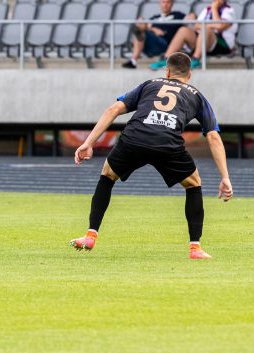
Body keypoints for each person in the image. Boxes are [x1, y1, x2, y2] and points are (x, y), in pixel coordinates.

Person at [70, 52, 233, 259]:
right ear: (189, 75)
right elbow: (213, 137)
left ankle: (90, 235)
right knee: (193, 185)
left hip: (135, 138)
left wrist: (88, 143)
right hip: (168, 143)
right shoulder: (197, 96)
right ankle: (195, 249)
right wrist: (225, 177)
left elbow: (114, 109)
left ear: (167, 71)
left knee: (107, 175)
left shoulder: (150, 84)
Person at [152, 0, 236, 70]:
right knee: (183, 30)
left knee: (206, 29)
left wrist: (214, 8)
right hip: (203, 41)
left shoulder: (229, 10)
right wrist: (209, 24)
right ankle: (166, 59)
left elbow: (219, 27)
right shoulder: (207, 10)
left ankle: (195, 60)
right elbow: (196, 25)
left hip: (222, 44)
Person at [123, 0, 185, 69]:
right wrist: (153, 29)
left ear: (172, 4)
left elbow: (190, 18)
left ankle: (133, 58)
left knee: (141, 30)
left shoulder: (178, 15)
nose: (165, 4)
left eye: (168, 2)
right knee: (141, 25)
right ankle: (133, 60)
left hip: (166, 44)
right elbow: (147, 26)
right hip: (150, 43)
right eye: (163, 2)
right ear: (160, 3)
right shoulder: (154, 18)